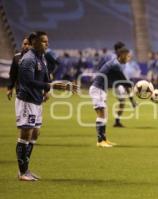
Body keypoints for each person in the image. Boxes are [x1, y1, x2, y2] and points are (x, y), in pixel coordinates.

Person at [15, 31, 77, 181]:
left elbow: (44, 74)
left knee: (35, 133)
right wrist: (51, 85)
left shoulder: (41, 56)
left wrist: (47, 89)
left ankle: (26, 169)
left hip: (37, 100)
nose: (47, 44)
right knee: (26, 135)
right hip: (27, 101)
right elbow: (28, 81)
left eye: (47, 41)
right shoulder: (28, 59)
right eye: (43, 41)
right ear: (34, 42)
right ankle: (23, 172)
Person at [89, 47, 133, 147]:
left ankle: (104, 139)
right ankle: (100, 141)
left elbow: (122, 81)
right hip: (98, 89)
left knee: (104, 114)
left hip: (101, 90)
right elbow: (125, 81)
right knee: (101, 114)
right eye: (128, 56)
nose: (128, 58)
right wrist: (141, 87)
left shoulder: (114, 63)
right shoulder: (115, 65)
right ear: (122, 55)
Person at [98, 42, 136, 127]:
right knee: (105, 102)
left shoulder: (109, 56)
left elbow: (99, 66)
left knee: (120, 100)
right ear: (119, 50)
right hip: (111, 81)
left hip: (110, 81)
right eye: (123, 50)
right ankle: (105, 121)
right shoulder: (115, 59)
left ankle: (116, 121)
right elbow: (122, 78)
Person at [6, 36, 31, 100]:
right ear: (22, 45)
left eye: (29, 44)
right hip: (20, 93)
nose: (27, 46)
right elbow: (12, 74)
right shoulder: (17, 58)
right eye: (25, 44)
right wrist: (10, 88)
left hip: (34, 94)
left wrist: (46, 91)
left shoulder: (38, 58)